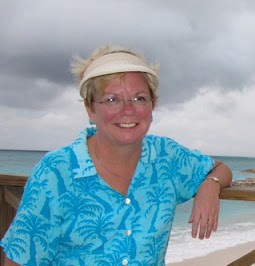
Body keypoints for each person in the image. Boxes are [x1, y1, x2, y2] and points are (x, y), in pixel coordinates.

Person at [1, 44, 233, 265]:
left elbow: (220, 168)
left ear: (152, 106)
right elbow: (19, 261)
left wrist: (210, 186)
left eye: (139, 98)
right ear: (90, 109)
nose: (128, 109)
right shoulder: (55, 173)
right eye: (112, 99)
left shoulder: (166, 157)